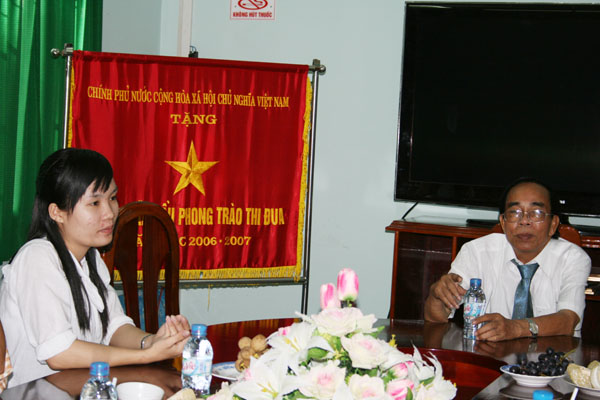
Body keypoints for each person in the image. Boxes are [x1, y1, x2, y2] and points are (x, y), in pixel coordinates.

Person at [0, 148, 191, 388]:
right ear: (57, 212)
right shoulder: (37, 258)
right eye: (94, 203)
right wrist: (145, 356)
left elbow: (114, 327)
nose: (109, 213)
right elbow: (59, 353)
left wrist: (152, 341)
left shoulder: (90, 258)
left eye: (112, 198)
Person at [424, 177, 591, 341]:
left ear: (553, 224)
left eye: (536, 213)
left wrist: (516, 328)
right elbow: (437, 318)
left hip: (551, 356)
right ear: (503, 223)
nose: (524, 221)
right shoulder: (476, 252)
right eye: (514, 213)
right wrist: (436, 296)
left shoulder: (573, 259)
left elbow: (568, 320)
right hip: (489, 355)